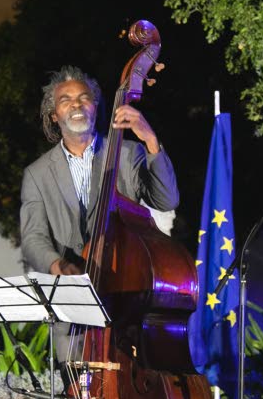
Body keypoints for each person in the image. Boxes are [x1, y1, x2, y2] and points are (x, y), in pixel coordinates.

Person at [19, 65, 180, 278]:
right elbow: (33, 238)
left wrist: (150, 140)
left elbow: (167, 200)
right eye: (65, 100)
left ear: (94, 106)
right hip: (73, 289)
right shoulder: (36, 174)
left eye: (84, 98)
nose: (76, 104)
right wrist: (58, 265)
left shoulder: (128, 154)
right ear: (54, 116)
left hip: (126, 277)